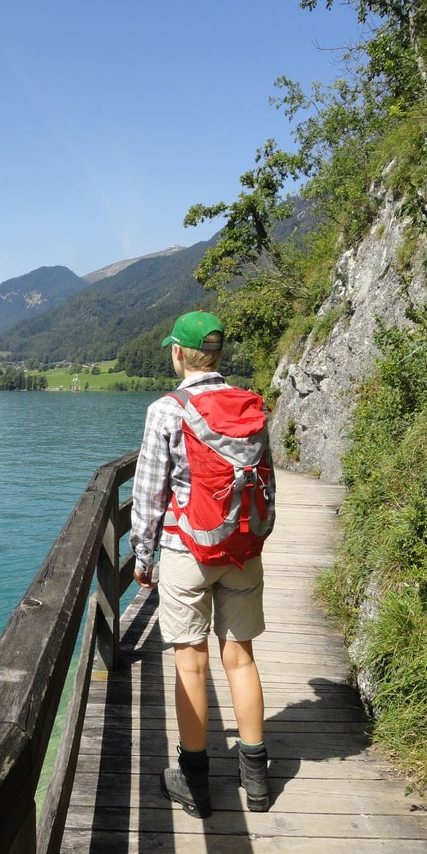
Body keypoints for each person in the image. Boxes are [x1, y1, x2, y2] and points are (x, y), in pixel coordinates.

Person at [130, 310, 276, 818]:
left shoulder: (166, 410)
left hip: (186, 550)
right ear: (217, 355)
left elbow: (149, 492)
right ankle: (256, 780)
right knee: (241, 658)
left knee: (190, 664)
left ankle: (193, 781)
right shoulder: (247, 405)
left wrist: (142, 555)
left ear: (177, 353)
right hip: (240, 548)